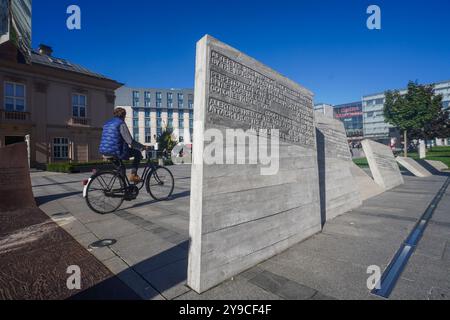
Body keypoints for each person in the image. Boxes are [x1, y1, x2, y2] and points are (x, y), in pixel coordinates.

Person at [99, 108, 147, 183]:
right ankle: (133, 175)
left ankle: (123, 188)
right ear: (124, 115)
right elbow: (130, 141)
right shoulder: (121, 123)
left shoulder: (107, 123)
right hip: (116, 151)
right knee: (137, 153)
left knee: (121, 169)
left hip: (105, 151)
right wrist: (142, 147)